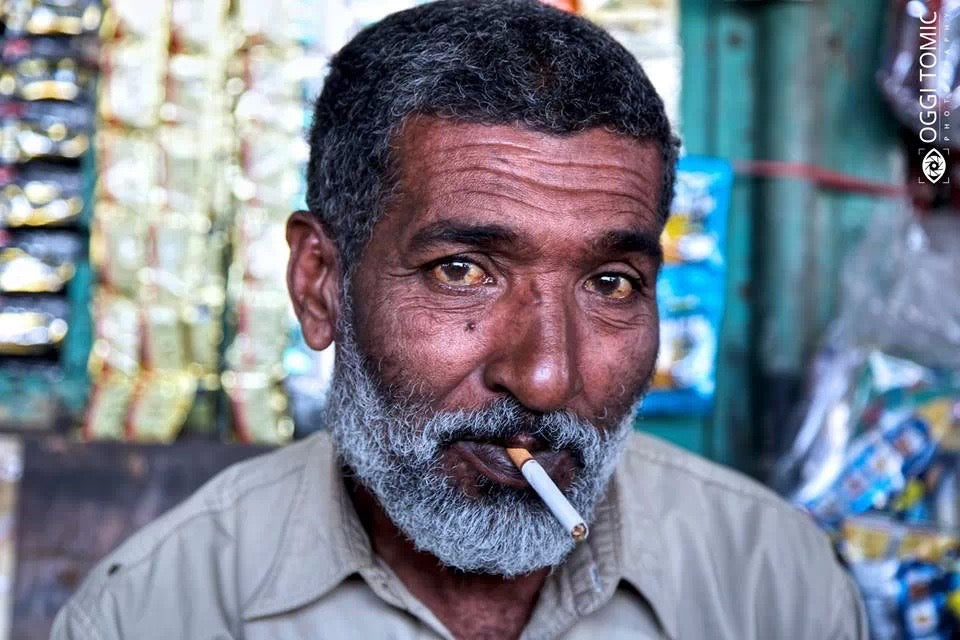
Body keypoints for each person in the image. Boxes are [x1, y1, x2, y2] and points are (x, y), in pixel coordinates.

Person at [52, 1, 867, 638]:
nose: (548, 377)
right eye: (462, 272)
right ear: (320, 283)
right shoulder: (159, 611)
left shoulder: (776, 587)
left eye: (611, 282)